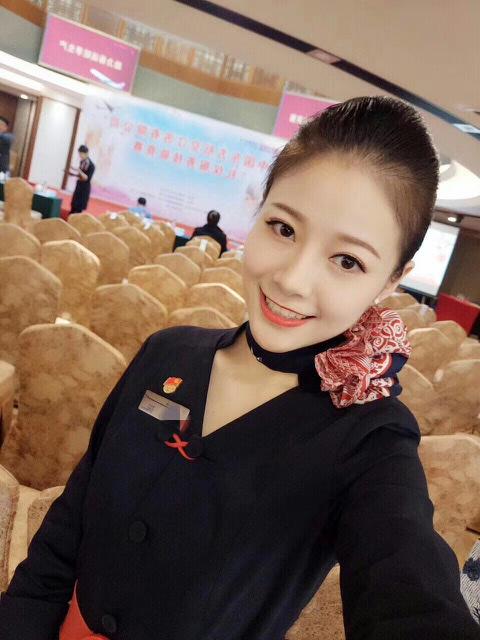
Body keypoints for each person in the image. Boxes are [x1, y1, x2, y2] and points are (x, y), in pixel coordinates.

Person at [1, 97, 479, 640]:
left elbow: (407, 577)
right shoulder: (166, 353)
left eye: (347, 261)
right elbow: (68, 527)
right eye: (283, 228)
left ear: (392, 279)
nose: (292, 280)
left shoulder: (370, 437)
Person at [69, 145, 95, 214]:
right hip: (79, 185)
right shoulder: (82, 162)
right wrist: (73, 173)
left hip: (84, 188)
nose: (80, 155)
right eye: (79, 154)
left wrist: (78, 170)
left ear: (86, 153)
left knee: (78, 209)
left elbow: (87, 178)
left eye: (81, 154)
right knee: (73, 205)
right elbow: (80, 175)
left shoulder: (91, 165)